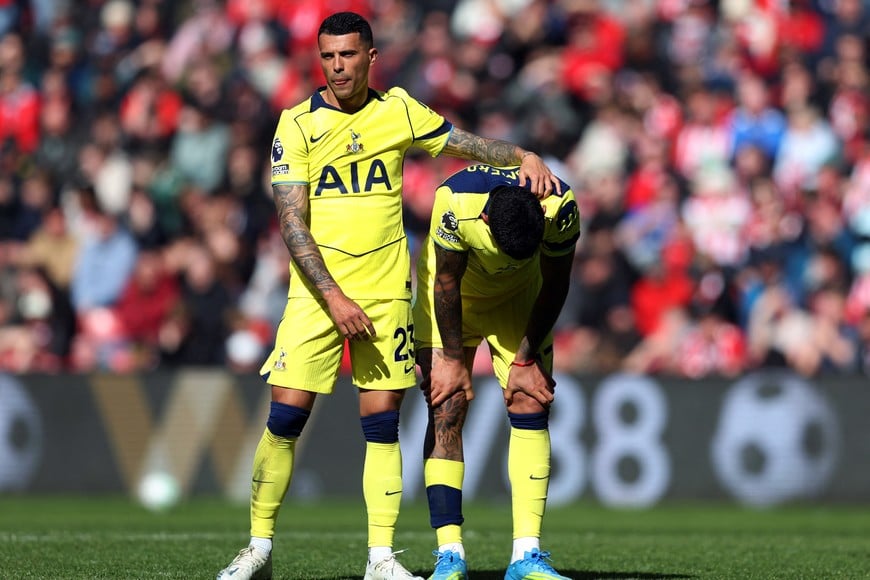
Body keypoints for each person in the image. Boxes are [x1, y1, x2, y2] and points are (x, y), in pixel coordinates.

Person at [216, 11, 561, 580]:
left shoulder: (397, 110)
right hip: (317, 295)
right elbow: (292, 222)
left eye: (348, 55)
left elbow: (462, 144)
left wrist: (520, 156)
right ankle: (259, 548)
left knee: (380, 422)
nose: (337, 66)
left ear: (370, 57)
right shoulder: (296, 124)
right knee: (284, 417)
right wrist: (333, 299)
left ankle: (381, 556)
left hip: (385, 294)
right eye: (327, 56)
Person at [413, 164, 581, 580]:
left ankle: (527, 556)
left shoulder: (560, 207)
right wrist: (452, 362)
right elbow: (446, 281)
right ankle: (449, 554)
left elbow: (556, 283)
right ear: (485, 220)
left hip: (520, 299)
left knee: (530, 400)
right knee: (446, 405)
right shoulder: (456, 203)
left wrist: (525, 361)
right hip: (454, 297)